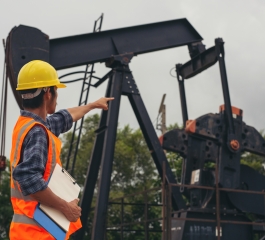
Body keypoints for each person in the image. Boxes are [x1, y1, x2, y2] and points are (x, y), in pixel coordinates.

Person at [9, 60, 114, 240]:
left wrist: (92, 105)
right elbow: (29, 180)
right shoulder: (38, 133)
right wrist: (66, 207)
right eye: (56, 90)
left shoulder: (27, 125)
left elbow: (64, 118)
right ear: (48, 93)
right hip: (39, 233)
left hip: (26, 232)